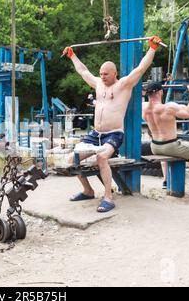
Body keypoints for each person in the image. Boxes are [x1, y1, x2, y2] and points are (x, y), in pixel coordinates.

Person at [62, 36, 162, 213]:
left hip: (114, 134)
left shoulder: (124, 85)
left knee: (102, 158)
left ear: (114, 73)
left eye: (105, 74)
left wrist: (152, 48)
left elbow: (141, 68)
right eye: (100, 74)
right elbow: (83, 71)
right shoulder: (98, 84)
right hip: (96, 135)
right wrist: (72, 56)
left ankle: (108, 197)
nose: (102, 76)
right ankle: (88, 190)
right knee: (71, 159)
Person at [142, 82, 189, 195]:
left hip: (155, 146)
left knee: (163, 155)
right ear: (160, 92)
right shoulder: (168, 107)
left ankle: (166, 181)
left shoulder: (143, 107)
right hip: (170, 145)